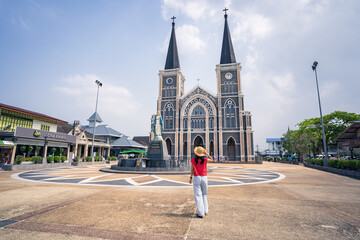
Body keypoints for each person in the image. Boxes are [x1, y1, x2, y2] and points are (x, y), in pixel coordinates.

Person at [189, 145, 214, 218]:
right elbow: (212, 159)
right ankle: (205, 210)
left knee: (198, 195)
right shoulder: (205, 159)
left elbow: (192, 170)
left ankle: (201, 213)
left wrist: (191, 178)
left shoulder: (193, 160)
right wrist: (207, 154)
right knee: (204, 195)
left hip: (197, 177)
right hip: (204, 177)